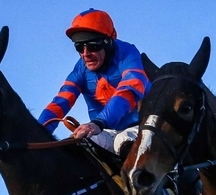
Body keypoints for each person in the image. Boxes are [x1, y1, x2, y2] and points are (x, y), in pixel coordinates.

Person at [38, 9, 150, 156]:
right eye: (79, 47)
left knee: (122, 141)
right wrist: (37, 132)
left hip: (145, 127)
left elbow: (129, 90)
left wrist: (98, 122)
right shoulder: (80, 70)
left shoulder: (128, 54)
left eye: (93, 46)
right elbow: (60, 102)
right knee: (76, 145)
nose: (85, 54)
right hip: (107, 130)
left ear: (109, 43)